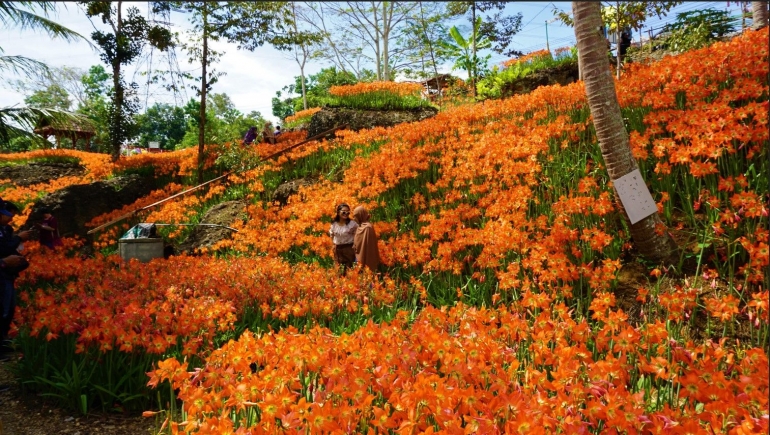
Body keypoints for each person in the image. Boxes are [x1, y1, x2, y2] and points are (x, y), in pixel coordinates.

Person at [0, 201, 31, 355]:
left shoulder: (4, 229)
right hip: (3, 272)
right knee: (3, 310)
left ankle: (4, 341)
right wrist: (4, 262)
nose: (8, 218)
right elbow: (4, 248)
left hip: (6, 274)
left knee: (8, 309)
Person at [329, 203, 358, 273]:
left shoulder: (352, 224)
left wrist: (355, 244)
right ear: (338, 212)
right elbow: (331, 235)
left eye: (348, 212)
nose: (346, 213)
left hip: (349, 248)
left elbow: (358, 234)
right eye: (344, 211)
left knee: (349, 269)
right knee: (338, 269)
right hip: (337, 249)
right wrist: (333, 245)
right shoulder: (334, 224)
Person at [352, 206, 380, 272]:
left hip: (366, 255)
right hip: (358, 256)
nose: (354, 219)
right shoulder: (360, 226)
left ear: (360, 215)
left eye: (355, 216)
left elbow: (368, 245)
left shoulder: (368, 228)